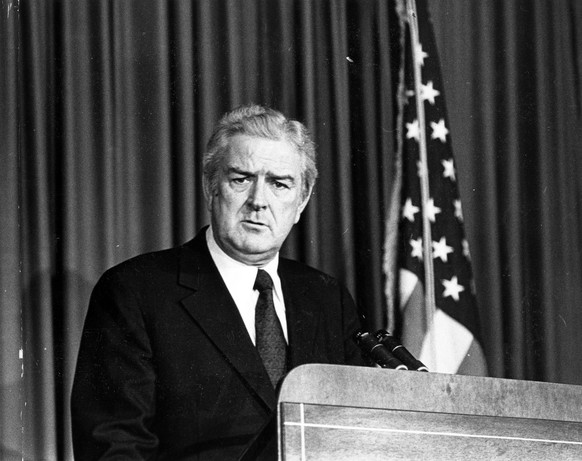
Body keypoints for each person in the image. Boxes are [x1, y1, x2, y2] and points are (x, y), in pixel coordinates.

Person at [71, 104, 365, 460]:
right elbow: (114, 445)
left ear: (301, 201)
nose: (259, 201)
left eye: (279, 184)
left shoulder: (325, 296)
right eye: (241, 179)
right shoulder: (135, 291)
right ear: (211, 187)